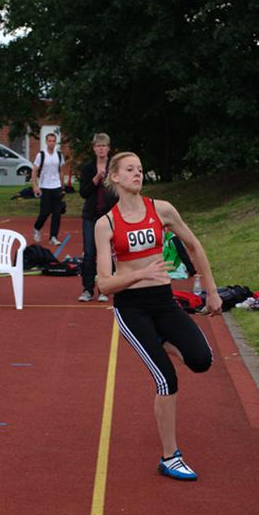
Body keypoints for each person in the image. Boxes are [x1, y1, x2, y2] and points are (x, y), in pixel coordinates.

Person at [95, 151, 222, 481]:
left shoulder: (161, 209)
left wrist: (211, 288)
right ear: (116, 178)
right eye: (130, 169)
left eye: (140, 168)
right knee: (167, 378)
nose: (137, 173)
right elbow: (105, 284)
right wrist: (139, 274)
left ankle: (161, 341)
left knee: (202, 360)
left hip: (164, 302)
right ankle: (170, 456)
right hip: (131, 308)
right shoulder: (105, 224)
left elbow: (193, 246)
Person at [78, 133, 118, 302]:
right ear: (94, 148)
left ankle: (104, 288)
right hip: (90, 215)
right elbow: (83, 193)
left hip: (108, 216)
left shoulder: (115, 168)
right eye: (98, 146)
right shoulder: (87, 168)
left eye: (104, 146)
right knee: (89, 253)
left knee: (107, 253)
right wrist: (95, 179)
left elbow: (118, 191)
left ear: (108, 148)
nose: (101, 149)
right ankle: (87, 289)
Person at [31, 132, 65, 245]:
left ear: (55, 142)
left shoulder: (59, 155)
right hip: (45, 187)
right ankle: (36, 228)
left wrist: (62, 187)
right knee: (44, 213)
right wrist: (35, 186)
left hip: (56, 187)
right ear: (46, 142)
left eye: (53, 141)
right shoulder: (41, 155)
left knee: (57, 213)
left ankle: (53, 237)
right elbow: (34, 170)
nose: (51, 143)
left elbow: (61, 171)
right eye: (49, 141)